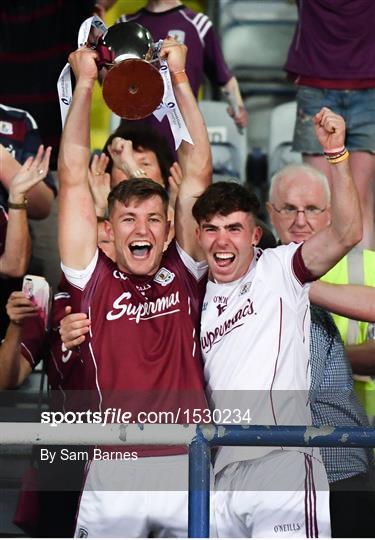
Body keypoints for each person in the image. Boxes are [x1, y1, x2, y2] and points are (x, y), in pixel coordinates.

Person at [57, 37, 212, 537]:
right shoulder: (92, 276)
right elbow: (74, 177)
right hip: (115, 462)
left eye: (152, 219)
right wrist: (84, 84)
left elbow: (198, 171)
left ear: (170, 228)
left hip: (187, 458)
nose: (142, 230)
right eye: (128, 219)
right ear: (108, 230)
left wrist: (182, 81)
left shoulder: (185, 268)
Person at [192, 107, 362, 537]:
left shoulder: (282, 268)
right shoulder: (192, 289)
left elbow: (347, 233)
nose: (222, 239)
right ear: (199, 238)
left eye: (234, 228)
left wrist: (338, 156)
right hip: (218, 469)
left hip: (282, 461)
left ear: (255, 234)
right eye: (211, 229)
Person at [267, 162, 375, 538]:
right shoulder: (243, 272)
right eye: (289, 209)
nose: (300, 221)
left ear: (330, 214)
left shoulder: (364, 264)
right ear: (270, 215)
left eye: (312, 209)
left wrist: (295, 280)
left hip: (342, 457)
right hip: (268, 465)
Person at [285, 0, 375, 249]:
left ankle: (365, 284)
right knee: (318, 201)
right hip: (321, 85)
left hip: (366, 86)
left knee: (357, 202)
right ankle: (319, 286)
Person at [117, 0, 247, 152]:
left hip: (179, 138)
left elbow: (224, 77)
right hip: (132, 137)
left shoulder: (198, 24)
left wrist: (238, 107)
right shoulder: (124, 24)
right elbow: (109, 82)